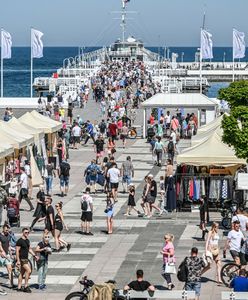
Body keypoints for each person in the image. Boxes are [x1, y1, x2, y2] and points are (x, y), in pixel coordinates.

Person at [16, 227, 39, 293]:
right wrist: (18, 260)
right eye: (25, 232)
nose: (27, 233)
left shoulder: (27, 240)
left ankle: (19, 287)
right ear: (22, 232)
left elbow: (29, 249)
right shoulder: (19, 241)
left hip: (25, 258)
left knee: (22, 272)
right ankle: (26, 286)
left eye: (28, 232)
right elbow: (17, 251)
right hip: (21, 259)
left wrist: (34, 255)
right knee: (28, 270)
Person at [0, 224, 13, 289]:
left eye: (7, 230)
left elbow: (9, 245)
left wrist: (10, 254)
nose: (6, 231)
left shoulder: (8, 235)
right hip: (1, 254)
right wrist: (2, 252)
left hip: (7, 254)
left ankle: (11, 283)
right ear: (3, 229)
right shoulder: (0, 235)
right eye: (5, 230)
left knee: (10, 269)